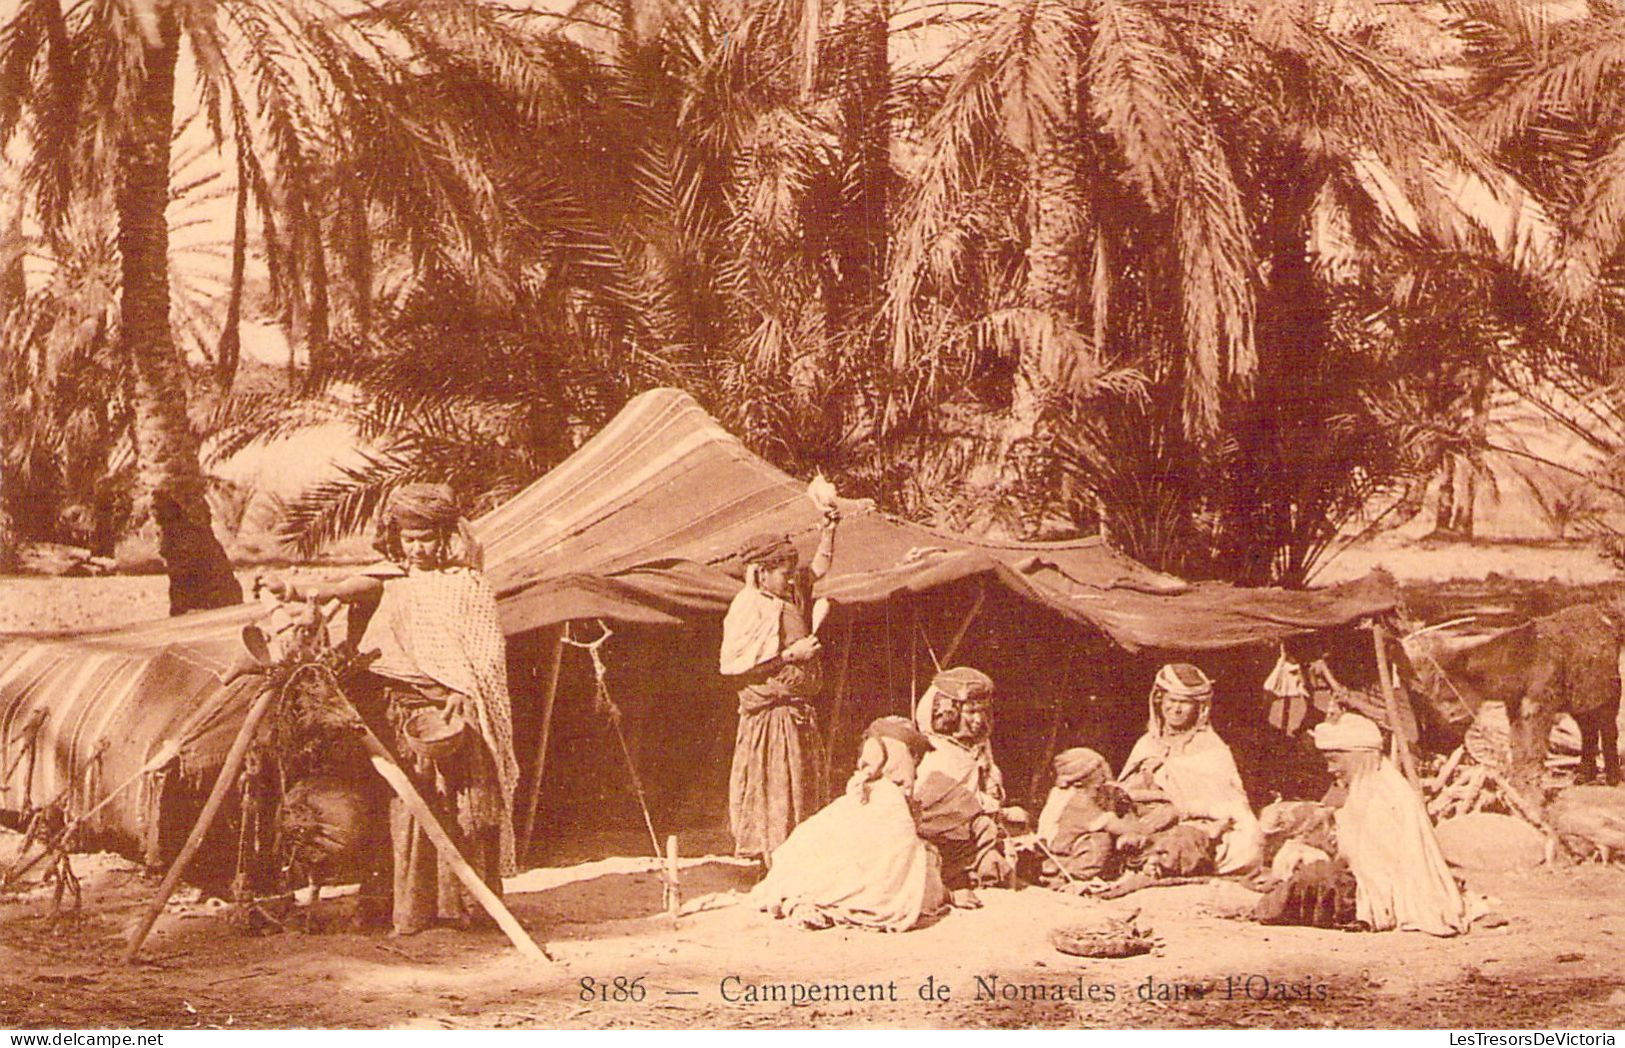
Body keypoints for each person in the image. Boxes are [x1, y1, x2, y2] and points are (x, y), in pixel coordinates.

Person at [261, 483, 519, 935]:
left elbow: (486, 655)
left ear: (445, 537)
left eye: (426, 538)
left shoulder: (468, 585)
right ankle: (412, 913)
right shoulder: (386, 578)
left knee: (458, 808)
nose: (417, 548)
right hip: (396, 715)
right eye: (408, 538)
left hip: (450, 717)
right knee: (407, 807)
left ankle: (466, 910)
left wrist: (464, 689)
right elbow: (340, 587)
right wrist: (294, 588)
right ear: (395, 536)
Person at [718, 509, 839, 868]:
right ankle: (775, 864)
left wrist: (830, 529)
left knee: (799, 786)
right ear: (761, 573)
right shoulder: (747, 607)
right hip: (772, 717)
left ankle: (797, 860)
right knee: (775, 788)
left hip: (798, 711)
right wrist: (790, 654)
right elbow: (737, 668)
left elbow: (818, 568)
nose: (791, 581)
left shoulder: (788, 596)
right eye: (784, 574)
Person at [750, 716, 949, 932]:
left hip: (862, 810)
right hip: (881, 818)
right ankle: (823, 900)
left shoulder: (869, 774)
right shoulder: (896, 785)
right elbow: (904, 798)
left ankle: (806, 899)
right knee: (904, 863)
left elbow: (866, 779)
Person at [1280, 712, 1467, 936]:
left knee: (1308, 883)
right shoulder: (1361, 792)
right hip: (1359, 890)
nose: (1330, 769)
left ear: (1356, 757)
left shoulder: (1385, 797)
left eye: (1334, 760)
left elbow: (1383, 876)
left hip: (1372, 899)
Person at [1117, 663, 1263, 875]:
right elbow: (1126, 789)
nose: (1175, 709)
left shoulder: (1211, 747)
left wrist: (1178, 810)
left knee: (1185, 843)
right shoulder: (1147, 743)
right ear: (1159, 700)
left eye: (1184, 703)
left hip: (1196, 825)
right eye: (1171, 700)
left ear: (1199, 708)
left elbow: (1230, 807)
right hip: (1145, 820)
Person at [912, 667, 1022, 907]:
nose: (978, 720)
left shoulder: (975, 749)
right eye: (971, 712)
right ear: (948, 713)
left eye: (983, 711)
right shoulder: (939, 755)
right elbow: (935, 816)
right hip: (945, 848)